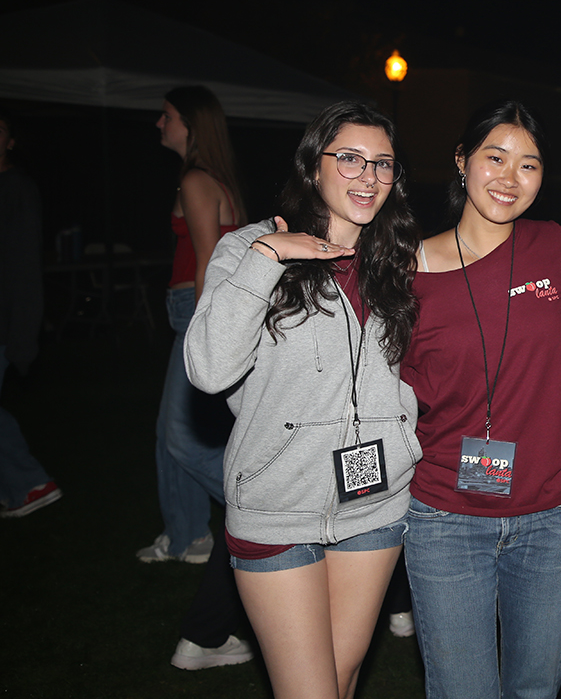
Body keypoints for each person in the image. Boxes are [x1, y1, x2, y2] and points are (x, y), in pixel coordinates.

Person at [184, 102, 422, 699]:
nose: (367, 177)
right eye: (349, 159)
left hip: (376, 504)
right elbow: (208, 370)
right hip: (277, 502)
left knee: (339, 682)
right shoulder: (248, 248)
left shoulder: (397, 262)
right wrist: (272, 257)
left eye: (382, 164)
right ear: (313, 166)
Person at [400, 99, 561, 699]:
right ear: (461, 161)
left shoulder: (555, 246)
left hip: (553, 516)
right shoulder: (409, 271)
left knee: (536, 688)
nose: (509, 178)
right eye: (495, 158)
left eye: (528, 165)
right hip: (446, 519)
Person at [138, 85, 246, 564]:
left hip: (196, 314)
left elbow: (208, 260)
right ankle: (188, 536)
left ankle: (262, 510)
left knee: (181, 438)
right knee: (172, 433)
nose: (160, 124)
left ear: (191, 124)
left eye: (167, 116)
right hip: (194, 313)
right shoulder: (210, 178)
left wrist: (205, 331)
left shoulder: (197, 181)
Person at [0, 108, 62, 519]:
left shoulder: (16, 189)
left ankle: (29, 482)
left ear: (10, 141)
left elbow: (22, 266)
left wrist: (23, 333)